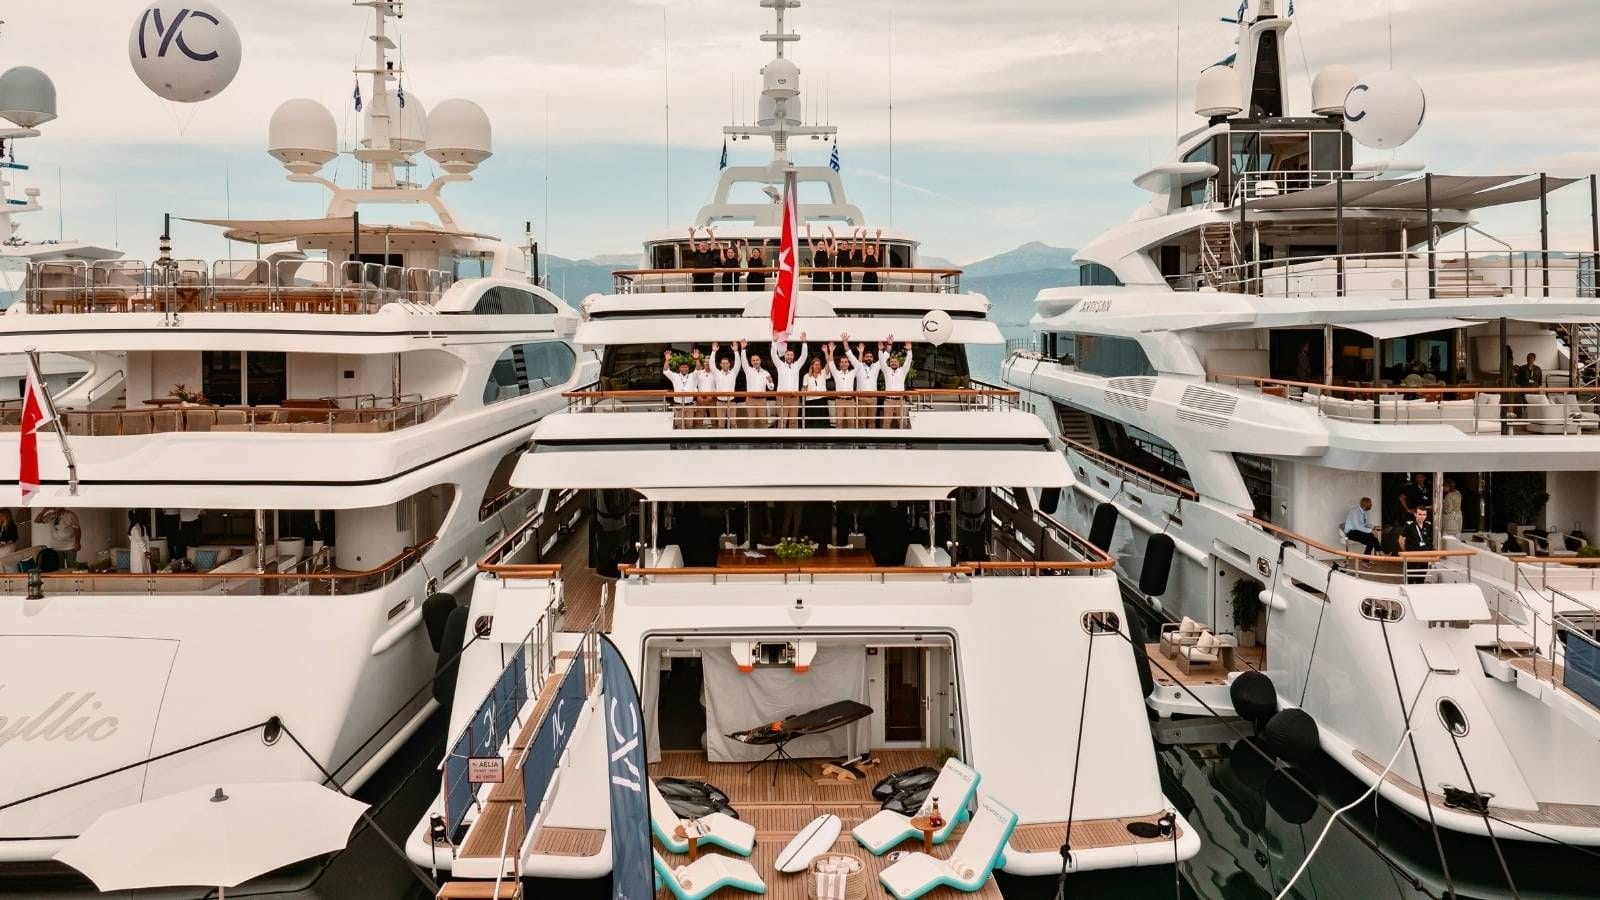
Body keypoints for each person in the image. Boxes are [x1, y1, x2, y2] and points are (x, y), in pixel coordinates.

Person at [843, 334, 885, 428]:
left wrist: (881, 349)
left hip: (873, 398)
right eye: (867, 356)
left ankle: (871, 438)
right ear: (863, 358)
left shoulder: (877, 366)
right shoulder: (858, 366)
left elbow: (885, 357)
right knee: (861, 421)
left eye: (870, 356)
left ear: (873, 358)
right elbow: (849, 354)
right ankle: (861, 438)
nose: (869, 358)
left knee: (872, 421)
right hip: (861, 398)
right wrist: (845, 342)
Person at [770, 334, 808, 428]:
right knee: (782, 421)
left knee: (793, 422)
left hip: (794, 397)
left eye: (791, 355)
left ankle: (794, 438)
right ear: (785, 356)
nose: (789, 357)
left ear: (793, 357)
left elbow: (804, 356)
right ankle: (781, 438)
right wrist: (774, 342)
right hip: (782, 397)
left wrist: (804, 342)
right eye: (788, 355)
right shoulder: (780, 365)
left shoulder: (797, 366)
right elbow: (774, 355)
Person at [739, 339, 776, 428]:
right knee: (751, 421)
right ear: (751, 362)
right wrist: (743, 349)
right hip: (750, 400)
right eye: (753, 360)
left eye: (757, 360)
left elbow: (771, 387)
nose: (755, 362)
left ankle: (764, 437)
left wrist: (770, 382)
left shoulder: (766, 373)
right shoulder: (748, 370)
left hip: (762, 400)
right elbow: (743, 361)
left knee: (763, 421)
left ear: (760, 361)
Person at [880, 340, 914, 428]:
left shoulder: (902, 371)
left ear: (898, 363)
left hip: (901, 400)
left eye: (895, 362)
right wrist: (880, 350)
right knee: (886, 423)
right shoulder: (886, 371)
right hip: (888, 401)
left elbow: (908, 361)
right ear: (889, 363)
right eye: (892, 362)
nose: (893, 363)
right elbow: (881, 362)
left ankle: (904, 437)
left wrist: (909, 350)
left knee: (903, 423)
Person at [706, 342, 741, 428]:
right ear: (721, 365)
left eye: (726, 363)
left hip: (731, 402)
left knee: (733, 423)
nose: (725, 365)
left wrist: (736, 351)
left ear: (729, 364)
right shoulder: (717, 373)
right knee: (721, 424)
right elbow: (711, 364)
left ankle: (734, 437)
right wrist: (713, 351)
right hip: (720, 402)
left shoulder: (733, 373)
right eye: (723, 363)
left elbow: (738, 364)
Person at [662, 349, 698, 428]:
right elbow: (665, 370)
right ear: (679, 368)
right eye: (682, 367)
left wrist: (696, 359)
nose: (684, 368)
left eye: (686, 367)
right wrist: (667, 360)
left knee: (689, 426)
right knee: (679, 426)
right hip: (678, 406)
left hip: (689, 406)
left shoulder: (692, 376)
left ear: (688, 368)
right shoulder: (675, 376)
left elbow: (698, 369)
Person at [1399, 506, 1435, 583]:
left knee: (1421, 581)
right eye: (1420, 514)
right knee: (1410, 581)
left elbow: (1430, 540)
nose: (1422, 517)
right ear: (1415, 514)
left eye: (1424, 514)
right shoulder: (1409, 525)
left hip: (1424, 558)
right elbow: (1401, 540)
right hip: (1412, 558)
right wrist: (1406, 552)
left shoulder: (1428, 525)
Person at [824, 342, 856, 428]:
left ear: (848, 364)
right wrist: (831, 351)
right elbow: (831, 363)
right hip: (839, 400)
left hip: (850, 401)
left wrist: (860, 352)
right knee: (839, 423)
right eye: (842, 362)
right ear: (839, 364)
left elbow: (858, 364)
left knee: (851, 423)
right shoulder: (836, 373)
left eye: (846, 362)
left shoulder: (852, 373)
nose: (844, 363)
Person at [802, 358, 831, 428]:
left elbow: (829, 363)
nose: (817, 366)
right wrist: (802, 390)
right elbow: (804, 388)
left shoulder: (823, 373)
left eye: (819, 365)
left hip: (822, 400)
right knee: (811, 422)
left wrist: (827, 353)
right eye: (816, 365)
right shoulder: (806, 376)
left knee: (822, 422)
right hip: (810, 401)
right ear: (812, 365)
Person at [691, 350, 718, 428]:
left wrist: (712, 396)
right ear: (703, 363)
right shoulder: (699, 373)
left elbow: (718, 387)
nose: (707, 364)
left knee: (714, 421)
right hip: (700, 399)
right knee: (698, 421)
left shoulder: (716, 374)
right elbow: (694, 386)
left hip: (712, 399)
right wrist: (698, 396)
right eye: (705, 362)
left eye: (709, 362)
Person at [807, 224, 832, 291]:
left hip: (825, 275)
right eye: (819, 244)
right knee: (816, 290)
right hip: (817, 275)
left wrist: (826, 239)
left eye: (822, 244)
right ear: (817, 246)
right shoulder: (815, 252)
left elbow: (832, 245)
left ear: (824, 246)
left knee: (825, 291)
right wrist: (808, 230)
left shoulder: (827, 253)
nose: (821, 245)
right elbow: (809, 242)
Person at [127, 509, 152, 574]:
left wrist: (145, 551)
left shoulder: (134, 528)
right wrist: (146, 551)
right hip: (141, 550)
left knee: (138, 566)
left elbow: (140, 541)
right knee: (143, 565)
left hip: (137, 550)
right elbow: (144, 541)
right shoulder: (141, 527)